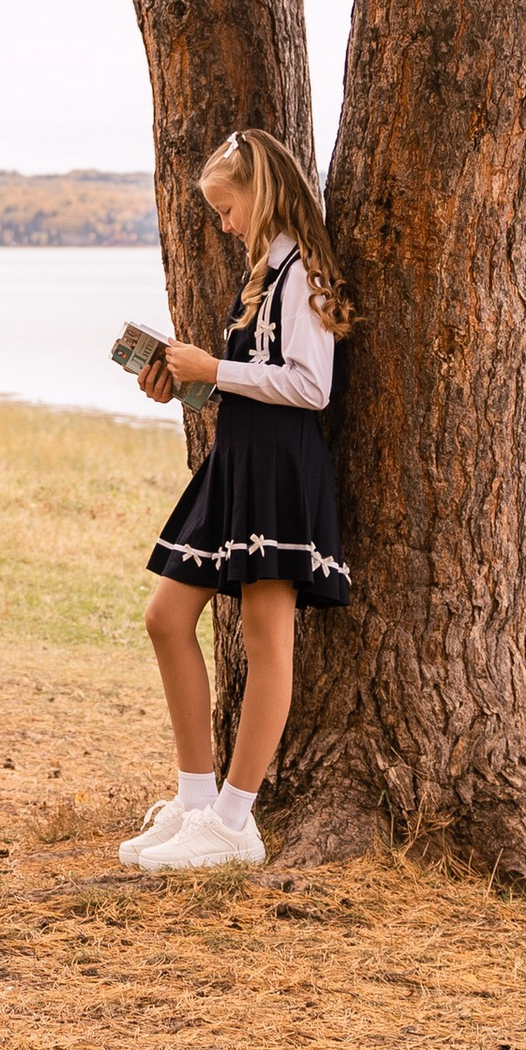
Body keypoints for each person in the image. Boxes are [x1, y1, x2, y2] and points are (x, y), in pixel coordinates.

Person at [123, 126, 353, 873]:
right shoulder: (263, 272)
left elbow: (311, 387)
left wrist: (215, 369)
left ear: (263, 192)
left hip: (280, 469)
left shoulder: (304, 272)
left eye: (227, 208)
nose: (223, 224)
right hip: (238, 461)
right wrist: (182, 382)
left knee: (264, 633)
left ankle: (233, 821)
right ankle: (195, 805)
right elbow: (249, 377)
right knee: (166, 616)